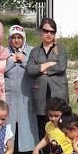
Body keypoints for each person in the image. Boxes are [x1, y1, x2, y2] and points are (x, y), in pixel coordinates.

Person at [26, 18, 69, 146]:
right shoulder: (35, 51)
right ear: (41, 32)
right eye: (45, 31)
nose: (48, 34)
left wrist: (41, 68)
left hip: (58, 91)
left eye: (52, 31)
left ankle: (61, 152)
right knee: (43, 122)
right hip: (40, 92)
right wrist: (46, 65)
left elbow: (61, 67)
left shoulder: (60, 49)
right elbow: (30, 69)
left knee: (61, 121)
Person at [5, 25, 36, 154]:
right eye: (14, 37)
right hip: (9, 94)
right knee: (9, 122)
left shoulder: (31, 51)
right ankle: (9, 152)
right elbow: (0, 69)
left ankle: (27, 153)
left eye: (19, 37)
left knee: (27, 123)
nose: (17, 41)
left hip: (26, 93)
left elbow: (35, 68)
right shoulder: (4, 53)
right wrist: (12, 60)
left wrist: (23, 61)